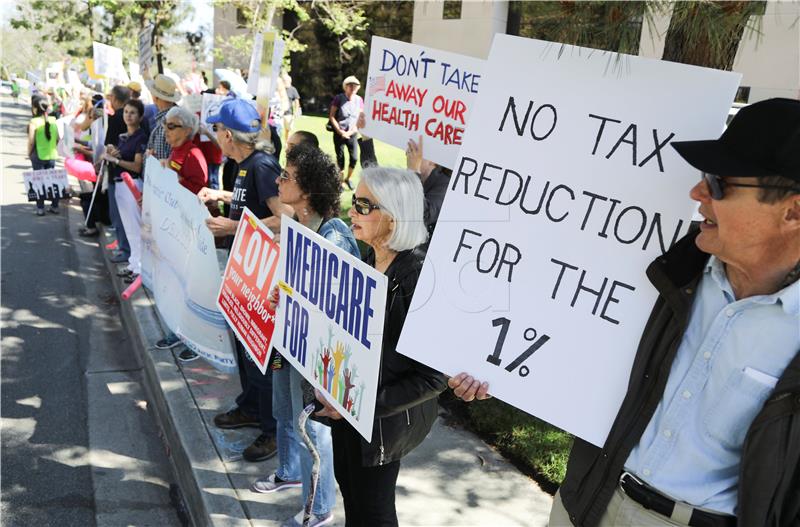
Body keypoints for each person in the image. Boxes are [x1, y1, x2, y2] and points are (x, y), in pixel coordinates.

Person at [450, 98, 800, 527]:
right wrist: (501, 373)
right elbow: (568, 327)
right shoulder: (666, 267)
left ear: (793, 211)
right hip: (586, 501)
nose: (697, 193)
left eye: (720, 183)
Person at [314, 166, 448, 527]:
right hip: (349, 409)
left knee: (373, 512)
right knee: (351, 494)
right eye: (352, 200)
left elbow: (434, 377)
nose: (351, 211)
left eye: (362, 204)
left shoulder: (416, 276)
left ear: (392, 218)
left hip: (382, 420)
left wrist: (361, 406)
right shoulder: (371, 258)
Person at [253, 142, 359, 527]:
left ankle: (318, 509)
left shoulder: (334, 237)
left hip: (315, 353)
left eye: (287, 177)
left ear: (308, 191)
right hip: (289, 340)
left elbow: (333, 304)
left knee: (311, 427)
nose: (279, 180)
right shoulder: (297, 224)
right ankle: (292, 474)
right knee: (285, 413)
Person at [198, 98, 293, 462]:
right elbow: (251, 204)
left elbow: (286, 217)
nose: (216, 135)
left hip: (261, 275)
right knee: (245, 348)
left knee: (260, 354)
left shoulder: (262, 165)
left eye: (218, 129)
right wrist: (222, 196)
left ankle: (271, 429)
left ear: (228, 134)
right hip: (244, 270)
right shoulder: (242, 166)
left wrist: (234, 225)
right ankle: (251, 407)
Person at [162, 105, 209, 363]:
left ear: (188, 130)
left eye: (172, 126)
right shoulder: (176, 151)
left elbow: (200, 192)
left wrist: (173, 183)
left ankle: (195, 339)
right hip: (173, 228)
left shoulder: (193, 153)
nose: (166, 131)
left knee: (190, 287)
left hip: (189, 232)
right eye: (165, 125)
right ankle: (179, 331)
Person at [144, 74, 183, 351]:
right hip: (163, 200)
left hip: (165, 202)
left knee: (169, 268)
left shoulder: (164, 122)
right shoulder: (165, 120)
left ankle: (176, 329)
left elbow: (165, 164)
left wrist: (154, 162)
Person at [102, 99, 148, 283]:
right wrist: (114, 152)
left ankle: (140, 268)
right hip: (120, 184)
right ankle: (133, 264)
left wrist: (116, 161)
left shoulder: (141, 137)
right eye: (126, 111)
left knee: (136, 227)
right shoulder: (123, 137)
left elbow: (137, 166)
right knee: (128, 227)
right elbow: (121, 155)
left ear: (140, 116)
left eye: (133, 112)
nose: (128, 115)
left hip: (133, 185)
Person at [27, 95, 60, 216]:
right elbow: (57, 139)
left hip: (38, 156)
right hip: (51, 155)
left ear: (35, 109)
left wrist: (28, 153)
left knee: (39, 182)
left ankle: (40, 208)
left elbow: (31, 141)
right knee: (51, 180)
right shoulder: (53, 120)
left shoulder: (33, 122)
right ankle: (55, 206)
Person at [328, 76, 363, 190]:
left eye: (355, 85)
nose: (352, 87)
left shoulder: (359, 100)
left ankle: (348, 178)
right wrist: (340, 131)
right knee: (340, 158)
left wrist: (352, 131)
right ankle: (341, 181)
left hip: (353, 133)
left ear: (358, 88)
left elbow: (360, 118)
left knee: (354, 158)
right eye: (350, 85)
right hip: (339, 133)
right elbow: (332, 116)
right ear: (345, 87)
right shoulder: (339, 98)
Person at [282, 73, 301, 143]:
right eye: (283, 80)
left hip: (288, 113)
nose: (284, 82)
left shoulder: (293, 90)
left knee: (288, 130)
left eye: (285, 81)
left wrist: (296, 112)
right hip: (279, 113)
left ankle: (287, 143)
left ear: (289, 81)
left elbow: (297, 102)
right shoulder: (281, 89)